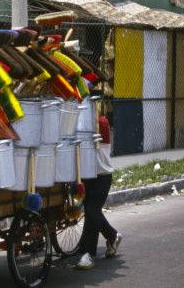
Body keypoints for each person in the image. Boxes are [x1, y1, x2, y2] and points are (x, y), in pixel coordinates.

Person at [76, 115, 122, 270]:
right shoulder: (80, 126)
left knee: (91, 210)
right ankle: (112, 236)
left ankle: (87, 254)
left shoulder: (100, 123)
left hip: (102, 177)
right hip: (86, 178)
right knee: (92, 210)